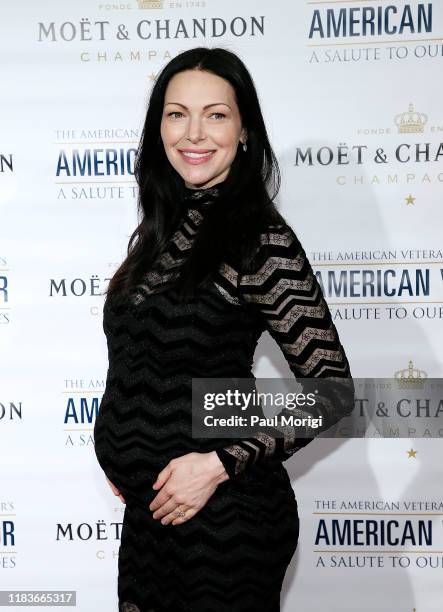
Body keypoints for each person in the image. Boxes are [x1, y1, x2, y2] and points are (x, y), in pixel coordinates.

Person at [93, 46, 354, 612]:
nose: (194, 132)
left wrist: (214, 466)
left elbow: (332, 391)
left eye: (215, 114)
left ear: (243, 131)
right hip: (153, 517)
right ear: (158, 126)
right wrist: (129, 449)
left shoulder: (260, 240)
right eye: (176, 113)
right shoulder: (159, 232)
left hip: (226, 521)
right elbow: (152, 367)